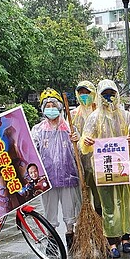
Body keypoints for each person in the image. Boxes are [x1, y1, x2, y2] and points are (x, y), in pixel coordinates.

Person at [80, 80, 130, 258]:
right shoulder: (94, 117)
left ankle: (126, 238)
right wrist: (87, 142)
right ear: (99, 96)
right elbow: (85, 144)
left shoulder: (127, 116)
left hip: (123, 166)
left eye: (111, 94)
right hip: (103, 168)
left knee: (124, 203)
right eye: (105, 94)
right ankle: (111, 240)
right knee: (108, 205)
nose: (109, 98)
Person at [31, 88, 81, 249]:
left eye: (53, 105)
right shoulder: (38, 130)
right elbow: (31, 151)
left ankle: (70, 234)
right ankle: (51, 239)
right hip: (47, 178)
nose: (50, 108)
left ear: (60, 107)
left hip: (68, 176)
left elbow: (79, 152)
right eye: (47, 105)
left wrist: (77, 140)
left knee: (69, 208)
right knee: (49, 210)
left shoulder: (70, 128)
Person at [73, 81, 101, 215]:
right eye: (81, 93)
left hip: (100, 159)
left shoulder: (100, 111)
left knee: (100, 196)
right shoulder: (73, 114)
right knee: (85, 194)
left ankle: (103, 225)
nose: (84, 96)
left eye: (87, 93)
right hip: (82, 162)